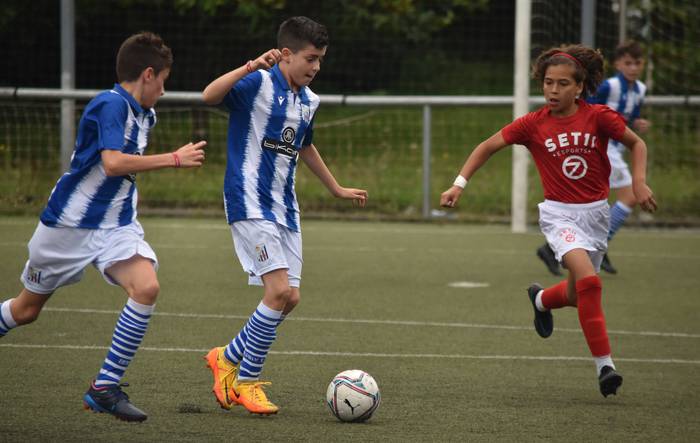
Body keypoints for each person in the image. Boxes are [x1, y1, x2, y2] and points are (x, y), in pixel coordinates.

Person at [0, 32, 206, 422]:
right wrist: (173, 159)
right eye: (163, 79)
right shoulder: (110, 104)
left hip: (116, 226)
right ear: (148, 74)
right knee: (26, 310)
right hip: (68, 226)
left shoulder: (146, 113)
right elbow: (112, 163)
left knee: (146, 287)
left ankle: (104, 388)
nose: (164, 89)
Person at [440, 44, 657, 397]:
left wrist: (639, 181)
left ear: (580, 87)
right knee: (590, 282)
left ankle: (541, 301)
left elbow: (637, 144)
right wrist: (458, 184)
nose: (552, 91)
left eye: (561, 84)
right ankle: (605, 367)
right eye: (547, 83)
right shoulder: (532, 124)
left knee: (576, 293)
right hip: (560, 216)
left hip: (596, 215)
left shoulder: (599, 116)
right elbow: (487, 146)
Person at [201, 16, 367, 415]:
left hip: (285, 208)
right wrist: (249, 66)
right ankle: (246, 382)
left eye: (321, 60)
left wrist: (336, 187)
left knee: (289, 297)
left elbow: (305, 145)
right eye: (311, 58)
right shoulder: (256, 83)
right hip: (247, 200)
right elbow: (209, 96)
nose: (316, 67)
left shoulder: (310, 101)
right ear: (287, 54)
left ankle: (227, 356)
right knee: (276, 292)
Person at [536, 41, 650, 275]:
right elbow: (587, 112)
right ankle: (592, 244)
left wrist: (636, 122)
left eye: (638, 63)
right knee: (628, 196)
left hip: (616, 148)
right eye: (628, 63)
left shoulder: (639, 88)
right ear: (618, 64)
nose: (633, 68)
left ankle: (569, 246)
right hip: (598, 148)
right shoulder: (610, 86)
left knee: (600, 200)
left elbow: (628, 118)